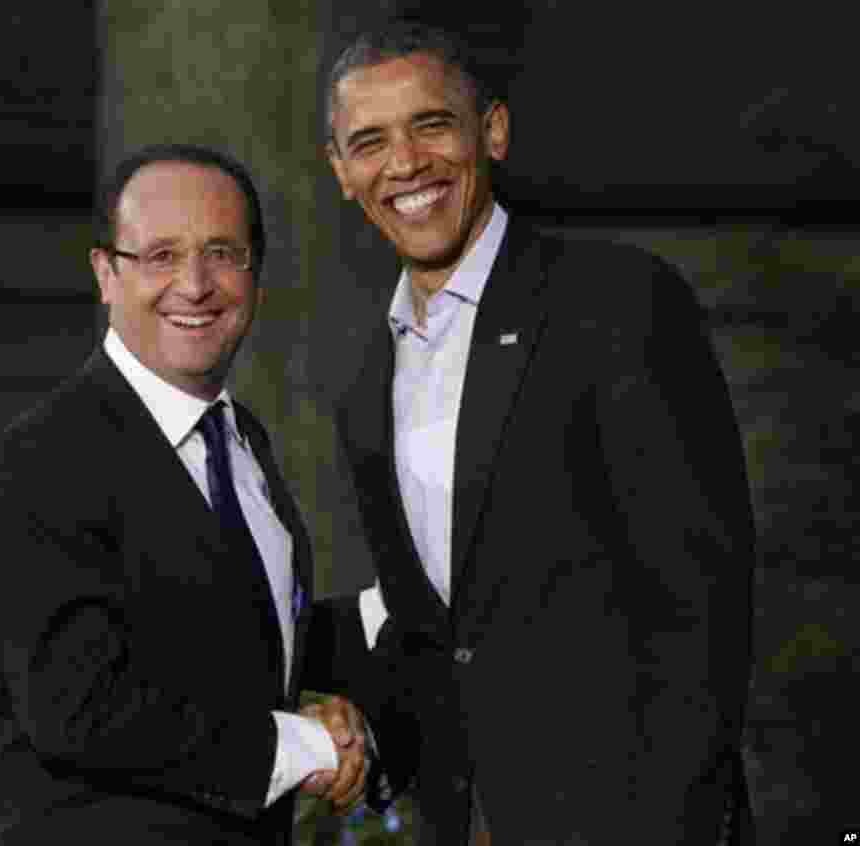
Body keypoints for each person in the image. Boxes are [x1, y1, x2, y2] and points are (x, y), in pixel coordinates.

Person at [314, 19, 757, 845]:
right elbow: (437, 630)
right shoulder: (365, 377)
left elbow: (698, 604)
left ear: (495, 132)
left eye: (431, 125)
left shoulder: (617, 304)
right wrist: (356, 731)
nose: (404, 164)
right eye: (369, 142)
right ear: (342, 172)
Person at [0, 144, 367, 846]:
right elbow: (78, 707)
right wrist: (302, 747)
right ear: (105, 274)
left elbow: (226, 636)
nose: (195, 284)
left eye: (222, 253)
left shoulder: (241, 442)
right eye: (160, 256)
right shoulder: (45, 455)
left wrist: (394, 617)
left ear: (256, 276)